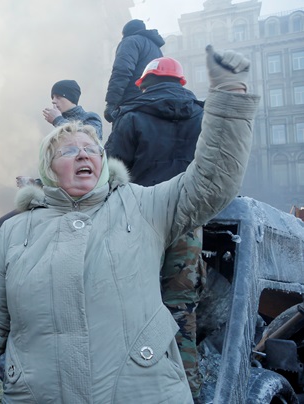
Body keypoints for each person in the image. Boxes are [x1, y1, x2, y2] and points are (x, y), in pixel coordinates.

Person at [0, 45, 259, 404]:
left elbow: (211, 182)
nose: (82, 153)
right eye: (68, 150)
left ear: (102, 160)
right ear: (47, 170)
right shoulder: (16, 231)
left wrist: (228, 97)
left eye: (91, 149)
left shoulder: (142, 205)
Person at [104, 56, 206, 400]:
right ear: (181, 82)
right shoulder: (202, 115)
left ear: (144, 82)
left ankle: (136, 388)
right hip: (187, 221)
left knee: (133, 306)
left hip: (140, 219)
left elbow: (112, 170)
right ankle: (187, 390)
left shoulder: (130, 116)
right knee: (180, 309)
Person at [104, 19, 164, 123]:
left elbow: (122, 71)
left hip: (132, 103)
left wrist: (111, 103)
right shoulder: (157, 50)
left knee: (124, 137)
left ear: (126, 32)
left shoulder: (130, 41)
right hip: (155, 104)